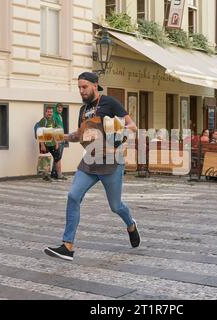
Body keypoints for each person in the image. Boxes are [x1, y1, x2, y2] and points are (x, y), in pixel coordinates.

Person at [44, 72, 140, 261]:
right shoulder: (82, 110)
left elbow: (133, 126)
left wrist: (118, 129)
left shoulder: (109, 102)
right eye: (79, 87)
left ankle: (131, 224)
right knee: (73, 196)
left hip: (111, 163)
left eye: (84, 87)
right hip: (90, 161)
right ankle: (67, 246)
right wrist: (60, 136)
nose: (81, 90)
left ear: (95, 86)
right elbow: (80, 135)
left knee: (115, 206)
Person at [38, 106, 64, 181]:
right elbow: (40, 133)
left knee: (58, 158)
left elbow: (55, 132)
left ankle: (59, 175)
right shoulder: (43, 120)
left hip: (53, 143)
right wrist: (42, 145)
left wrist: (57, 143)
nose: (50, 113)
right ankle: (45, 176)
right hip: (45, 144)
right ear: (46, 112)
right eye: (48, 112)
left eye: (51, 112)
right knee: (45, 159)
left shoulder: (54, 120)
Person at [51, 103, 67, 180]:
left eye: (61, 108)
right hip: (57, 139)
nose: (60, 109)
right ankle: (57, 174)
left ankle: (54, 173)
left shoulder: (60, 116)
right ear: (56, 108)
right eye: (58, 108)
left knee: (58, 157)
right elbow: (53, 128)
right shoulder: (54, 116)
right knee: (58, 157)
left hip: (61, 137)